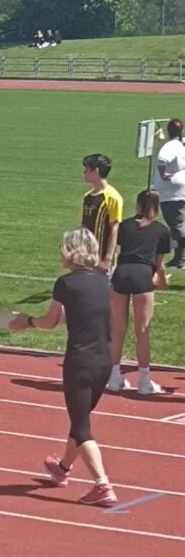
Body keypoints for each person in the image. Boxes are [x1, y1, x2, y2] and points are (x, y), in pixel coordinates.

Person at [8, 228, 118, 507]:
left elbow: (50, 321)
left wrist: (27, 321)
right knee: (80, 420)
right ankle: (62, 468)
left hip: (80, 362)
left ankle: (102, 484)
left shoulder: (65, 284)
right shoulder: (103, 282)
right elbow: (90, 315)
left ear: (71, 252)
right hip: (104, 361)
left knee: (81, 428)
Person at [107, 190, 171, 394]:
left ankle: (113, 377)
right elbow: (159, 266)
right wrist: (163, 283)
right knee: (142, 331)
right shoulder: (162, 231)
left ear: (138, 204)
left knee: (117, 329)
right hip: (142, 275)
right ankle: (144, 382)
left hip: (121, 273)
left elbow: (116, 249)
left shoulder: (125, 225)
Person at [80, 154, 123, 275]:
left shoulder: (112, 197)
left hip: (101, 256)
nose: (84, 172)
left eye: (87, 169)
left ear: (96, 171)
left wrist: (107, 258)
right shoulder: (88, 196)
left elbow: (114, 228)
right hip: (86, 254)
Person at [152, 118, 185, 268]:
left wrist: (163, 174)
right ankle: (180, 258)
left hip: (171, 192)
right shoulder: (182, 143)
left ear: (168, 130)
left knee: (177, 226)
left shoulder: (170, 146)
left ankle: (180, 259)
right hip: (181, 189)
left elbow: (162, 160)